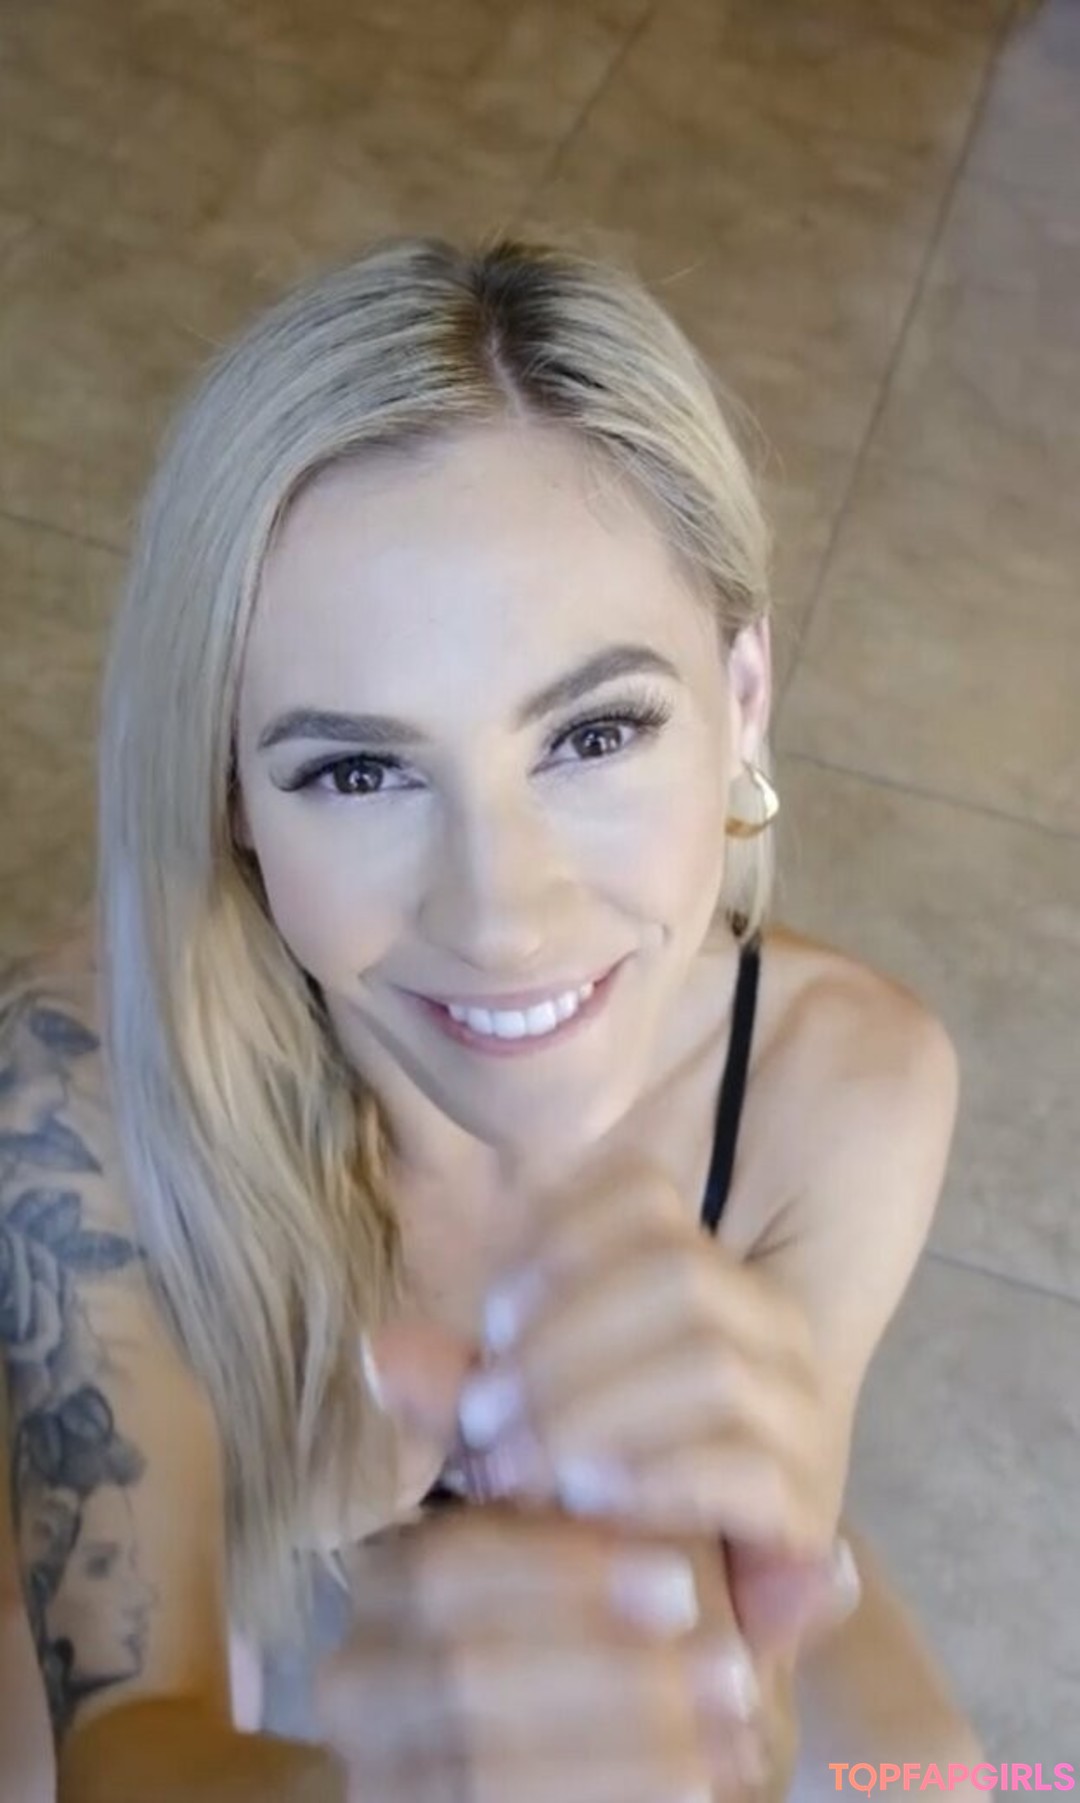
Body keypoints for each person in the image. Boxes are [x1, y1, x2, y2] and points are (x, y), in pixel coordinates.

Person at [0, 236, 986, 1803]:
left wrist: (714, 1679)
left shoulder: (846, 1088)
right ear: (231, 795)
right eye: (358, 770)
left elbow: (755, 1680)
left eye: (594, 733)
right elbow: (122, 1740)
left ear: (740, 702)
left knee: (949, 1786)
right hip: (174, 1556)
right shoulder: (88, 1082)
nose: (504, 918)